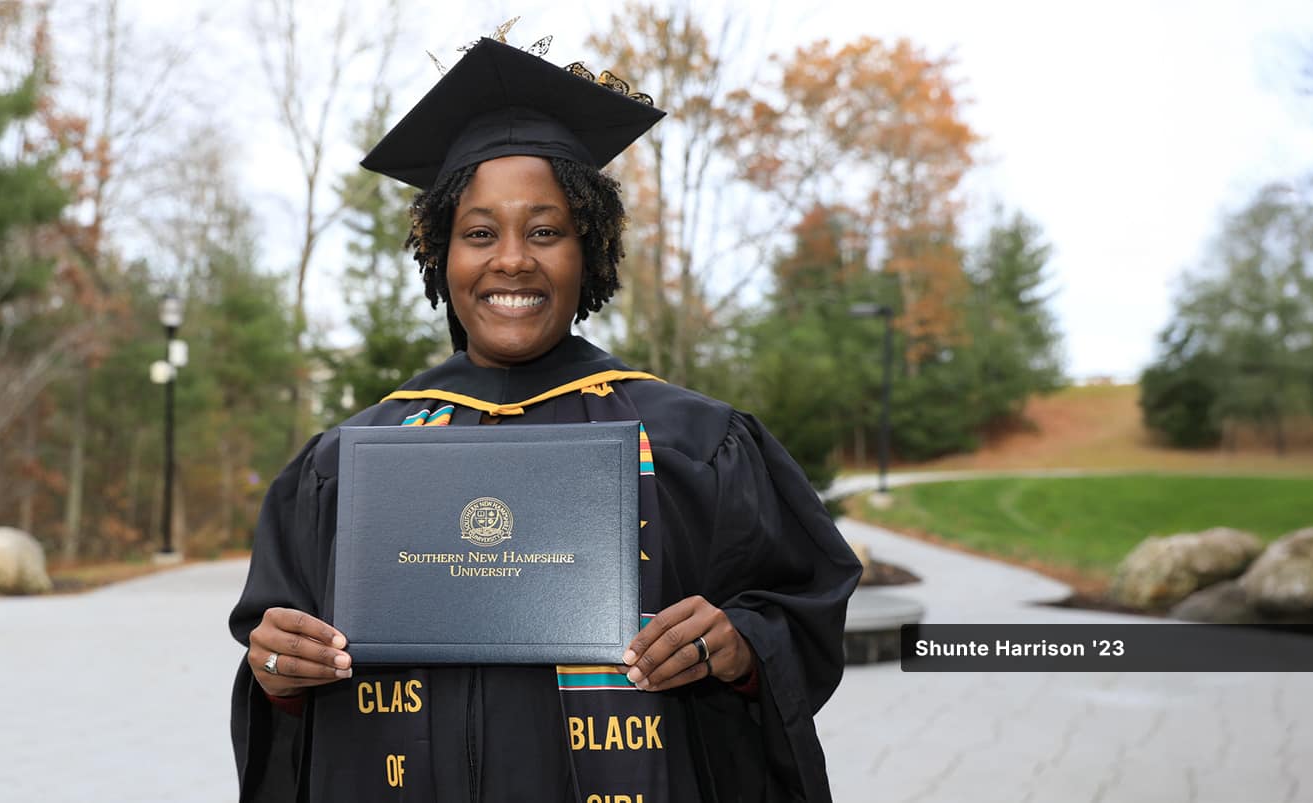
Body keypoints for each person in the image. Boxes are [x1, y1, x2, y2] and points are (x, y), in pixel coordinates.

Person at [229, 36, 862, 803]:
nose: (512, 260)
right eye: (479, 233)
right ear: (441, 255)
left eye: (545, 231)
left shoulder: (694, 443)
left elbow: (798, 614)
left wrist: (739, 645)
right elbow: (278, 667)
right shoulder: (350, 460)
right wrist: (277, 670)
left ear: (588, 252)